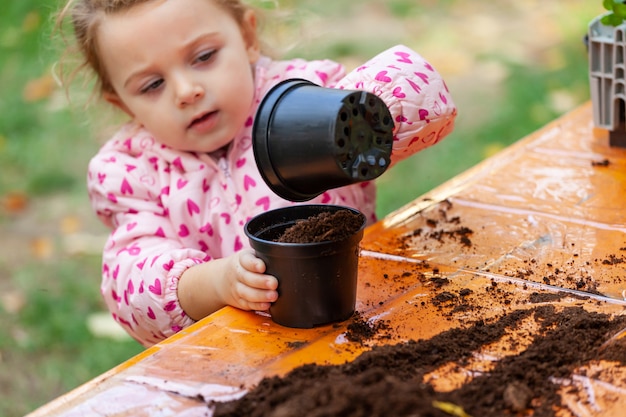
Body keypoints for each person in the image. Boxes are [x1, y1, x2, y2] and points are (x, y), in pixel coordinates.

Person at [57, 0, 457, 347]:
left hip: (360, 319)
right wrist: (215, 284)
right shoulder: (132, 173)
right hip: (235, 357)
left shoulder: (302, 94)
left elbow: (425, 96)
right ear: (123, 104)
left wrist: (356, 120)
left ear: (247, 37)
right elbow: (129, 288)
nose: (186, 90)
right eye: (152, 84)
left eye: (203, 57)